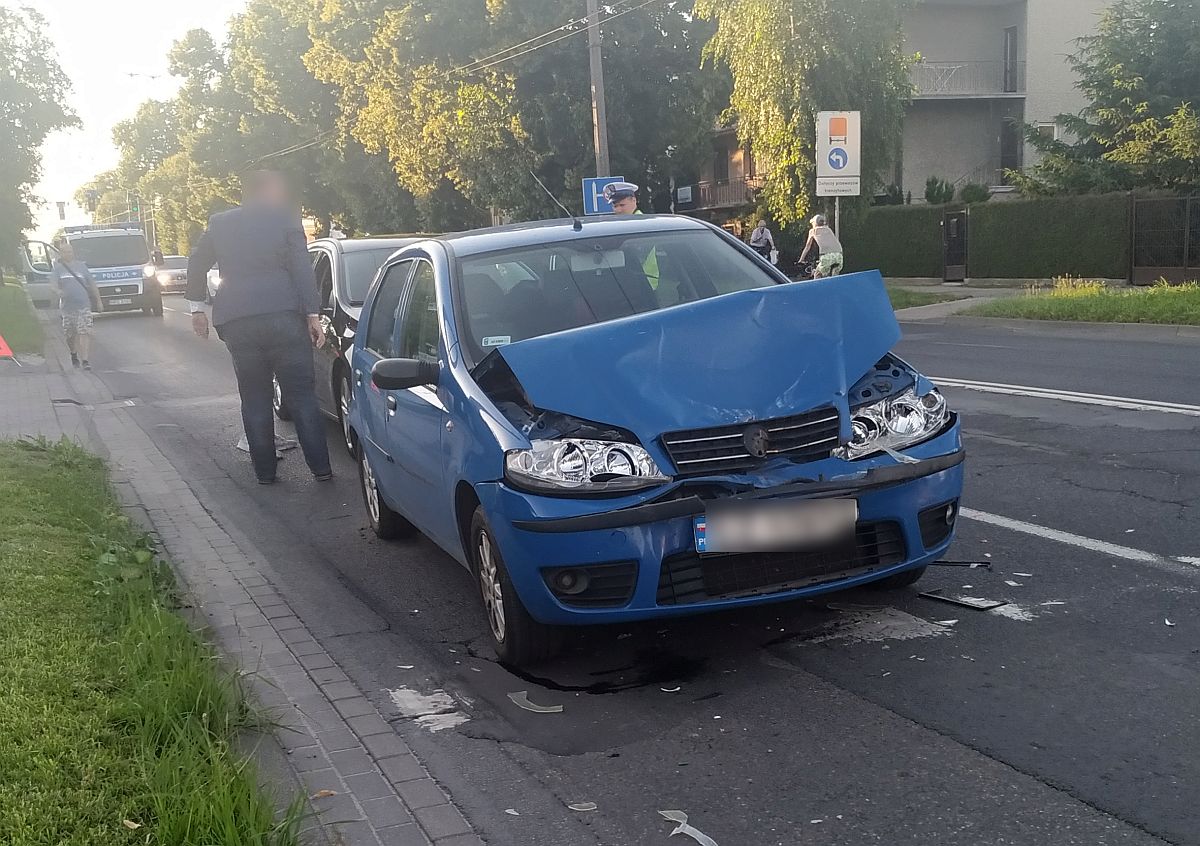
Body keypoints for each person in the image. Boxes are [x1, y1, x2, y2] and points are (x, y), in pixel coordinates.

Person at [185, 169, 333, 486]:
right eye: (279, 188)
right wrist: (312, 314)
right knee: (303, 396)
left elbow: (197, 262)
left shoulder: (219, 223)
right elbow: (301, 268)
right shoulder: (285, 218)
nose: (282, 193)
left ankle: (265, 473)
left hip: (238, 321)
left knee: (254, 398)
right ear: (265, 190)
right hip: (284, 316)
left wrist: (197, 308)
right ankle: (321, 469)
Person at [51, 239, 101, 370]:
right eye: (65, 252)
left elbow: (92, 284)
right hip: (67, 308)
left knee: (84, 332)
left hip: (83, 305)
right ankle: (73, 353)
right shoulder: (58, 269)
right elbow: (53, 285)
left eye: (70, 251)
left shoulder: (82, 266)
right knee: (70, 334)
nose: (68, 254)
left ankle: (85, 360)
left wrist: (99, 300)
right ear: (61, 254)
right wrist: (58, 291)